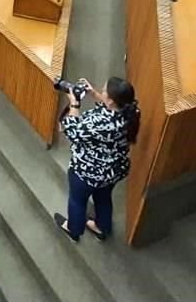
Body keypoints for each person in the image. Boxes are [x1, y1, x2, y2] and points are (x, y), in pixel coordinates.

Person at [54, 77, 140, 243]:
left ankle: (74, 230)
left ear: (111, 100)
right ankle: (102, 227)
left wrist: (74, 104)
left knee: (77, 201)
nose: (101, 91)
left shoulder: (99, 123)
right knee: (103, 197)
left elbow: (74, 132)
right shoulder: (132, 110)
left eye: (103, 91)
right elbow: (113, 106)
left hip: (88, 172)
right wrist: (93, 93)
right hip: (114, 169)